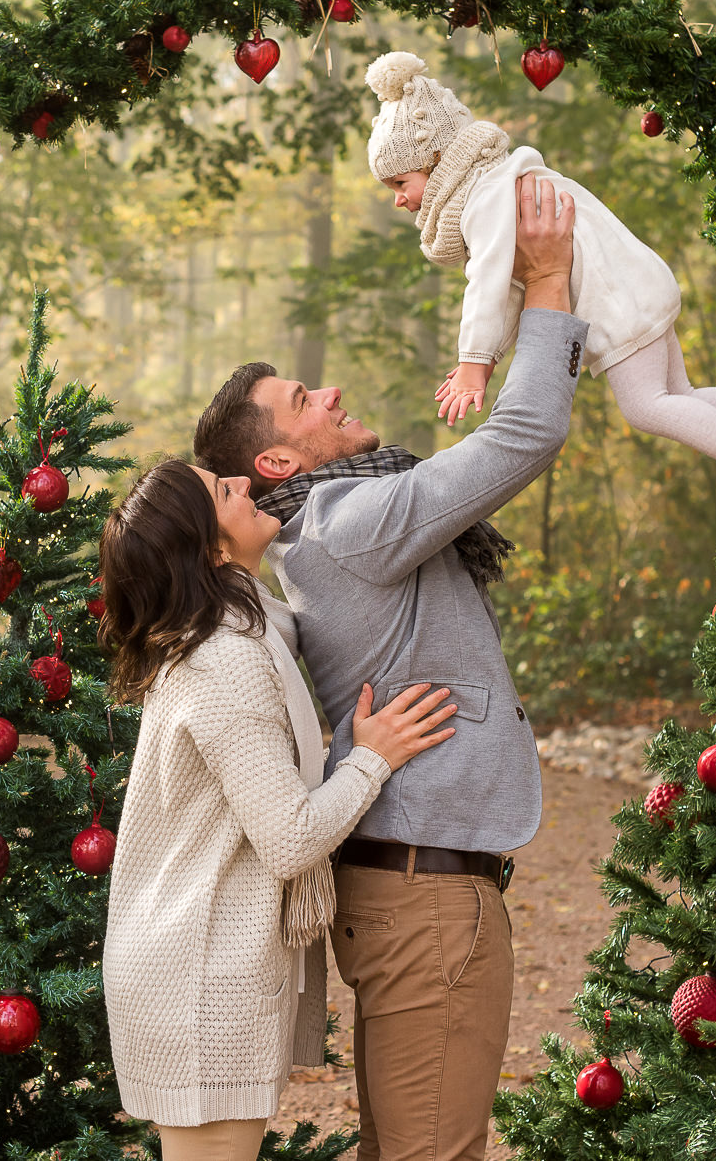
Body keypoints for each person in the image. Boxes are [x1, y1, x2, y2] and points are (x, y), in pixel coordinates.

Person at [190, 172, 577, 1161]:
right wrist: (546, 284)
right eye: (301, 401)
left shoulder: (331, 525)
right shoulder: (350, 520)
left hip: (412, 890)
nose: (331, 394)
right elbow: (524, 433)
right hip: (427, 900)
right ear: (280, 462)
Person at [98, 457, 459, 1161]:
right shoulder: (223, 659)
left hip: (203, 964)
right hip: (199, 978)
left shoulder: (247, 630)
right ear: (209, 548)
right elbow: (291, 842)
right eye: (222, 492)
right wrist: (372, 758)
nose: (244, 486)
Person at [365, 50, 716, 552]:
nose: (399, 199)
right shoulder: (503, 184)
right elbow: (515, 290)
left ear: (439, 160)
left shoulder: (484, 201)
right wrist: (487, 361)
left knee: (646, 406)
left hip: (617, 303)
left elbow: (487, 282)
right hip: (635, 287)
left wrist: (473, 361)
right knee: (679, 394)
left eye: (401, 183)